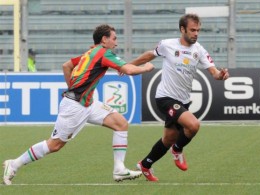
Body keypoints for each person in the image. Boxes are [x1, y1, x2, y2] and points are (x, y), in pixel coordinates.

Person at [2, 24, 154, 185]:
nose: (116, 43)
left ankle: (119, 169)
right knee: (55, 145)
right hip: (75, 106)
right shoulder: (103, 53)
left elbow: (66, 65)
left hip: (88, 103)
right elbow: (128, 70)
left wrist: (72, 87)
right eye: (114, 39)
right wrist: (146, 67)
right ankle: (14, 164)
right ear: (104, 39)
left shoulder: (89, 53)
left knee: (121, 124)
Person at [130, 14, 229, 181]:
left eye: (198, 30)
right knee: (193, 125)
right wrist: (128, 66)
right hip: (165, 98)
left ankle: (145, 165)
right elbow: (148, 55)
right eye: (192, 30)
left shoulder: (199, 50)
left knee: (168, 138)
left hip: (182, 100)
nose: (196, 33)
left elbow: (214, 73)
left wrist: (222, 75)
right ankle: (177, 150)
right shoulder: (167, 45)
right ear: (182, 29)